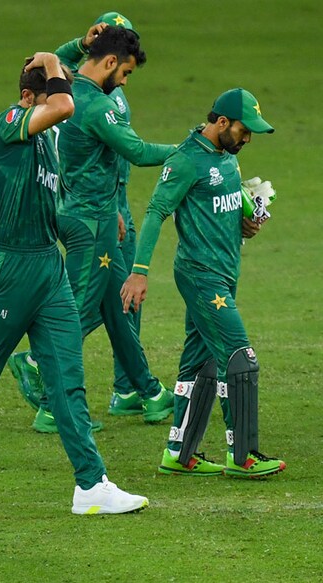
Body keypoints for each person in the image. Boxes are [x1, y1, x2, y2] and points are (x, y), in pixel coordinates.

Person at [0, 54, 147, 514]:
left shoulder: (46, 145)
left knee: (66, 378)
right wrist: (57, 59)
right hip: (9, 269)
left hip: (47, 270)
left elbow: (51, 208)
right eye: (52, 93)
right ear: (27, 98)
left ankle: (91, 485)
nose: (59, 105)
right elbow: (61, 107)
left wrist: (95, 222)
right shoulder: (9, 122)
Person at [5, 25, 174, 434]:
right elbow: (136, 152)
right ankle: (49, 403)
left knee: (119, 305)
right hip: (90, 224)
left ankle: (149, 391)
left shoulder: (65, 89)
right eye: (126, 73)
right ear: (112, 62)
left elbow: (41, 60)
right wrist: (194, 147)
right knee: (76, 314)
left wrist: (80, 44)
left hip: (84, 209)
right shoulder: (97, 106)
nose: (125, 81)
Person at [120, 88, 286, 478]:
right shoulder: (186, 161)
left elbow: (226, 205)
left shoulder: (227, 158)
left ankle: (179, 453)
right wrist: (139, 271)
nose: (247, 140)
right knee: (239, 358)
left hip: (224, 273)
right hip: (201, 275)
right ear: (222, 123)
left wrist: (247, 221)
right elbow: (156, 211)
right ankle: (243, 456)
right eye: (245, 131)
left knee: (202, 364)